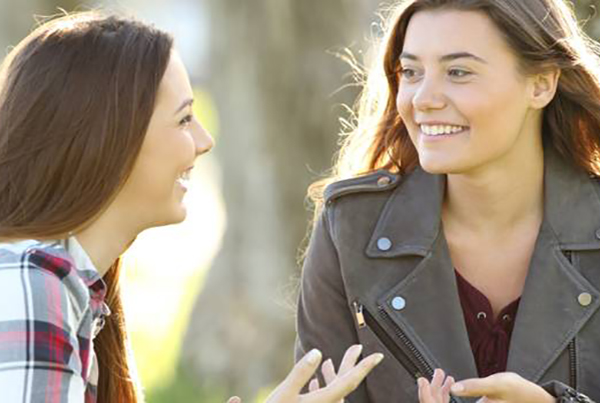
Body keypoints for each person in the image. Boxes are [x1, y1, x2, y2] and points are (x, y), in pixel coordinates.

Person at [0, 12, 383, 403]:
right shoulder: (31, 284)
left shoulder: (65, 289)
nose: (204, 140)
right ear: (109, 138)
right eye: (184, 119)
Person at [295, 0, 600, 402]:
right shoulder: (350, 227)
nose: (423, 99)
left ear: (541, 84)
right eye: (411, 72)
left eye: (458, 72)